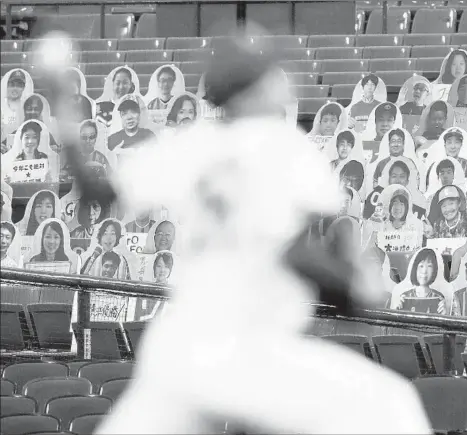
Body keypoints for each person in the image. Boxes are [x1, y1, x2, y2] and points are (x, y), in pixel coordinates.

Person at [84, 35, 432, 434]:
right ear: (250, 89)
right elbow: (293, 251)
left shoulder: (189, 144)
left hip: (175, 346)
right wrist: (354, 284)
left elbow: (98, 192)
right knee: (389, 406)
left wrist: (61, 100)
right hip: (239, 345)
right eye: (269, 74)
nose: (281, 82)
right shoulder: (280, 146)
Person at [393, 249, 446, 314]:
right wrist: (395, 310)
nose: (424, 271)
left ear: (434, 270)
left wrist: (444, 314)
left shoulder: (438, 297)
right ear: (415, 269)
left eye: (429, 266)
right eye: (421, 266)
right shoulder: (405, 297)